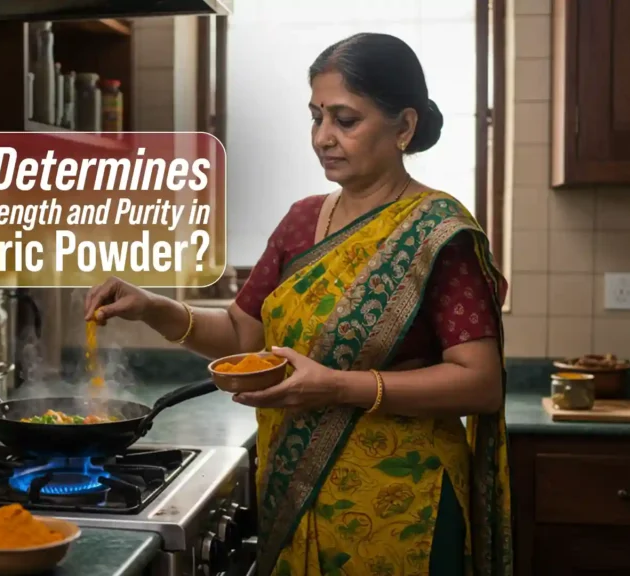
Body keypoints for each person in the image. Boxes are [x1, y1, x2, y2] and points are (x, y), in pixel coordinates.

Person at [85, 32, 513, 576]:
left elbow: (479, 383)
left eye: (345, 120)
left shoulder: (440, 233)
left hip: (405, 501)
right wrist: (152, 306)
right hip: (295, 486)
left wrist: (338, 386)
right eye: (316, 118)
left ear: (404, 126)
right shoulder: (301, 221)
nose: (323, 138)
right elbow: (244, 334)